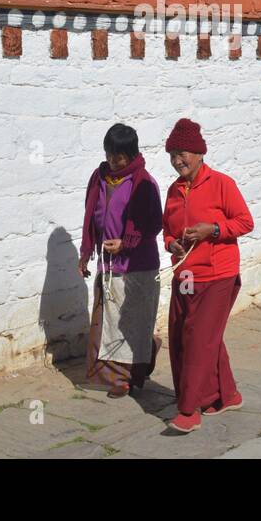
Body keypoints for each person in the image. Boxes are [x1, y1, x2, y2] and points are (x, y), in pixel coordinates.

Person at [161, 118, 254, 434]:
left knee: (198, 339)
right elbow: (167, 230)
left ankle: (189, 410)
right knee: (185, 336)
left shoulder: (221, 184)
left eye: (182, 153)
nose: (177, 161)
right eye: (172, 155)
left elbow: (244, 222)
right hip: (186, 275)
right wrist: (171, 243)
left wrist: (213, 230)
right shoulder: (174, 191)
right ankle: (226, 396)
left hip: (218, 274)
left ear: (199, 153)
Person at [79, 124, 163, 398]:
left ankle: (126, 378)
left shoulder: (144, 182)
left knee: (130, 324)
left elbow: (153, 224)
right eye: (109, 154)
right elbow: (90, 218)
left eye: (119, 156)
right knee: (104, 323)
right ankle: (112, 375)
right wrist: (85, 252)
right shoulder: (99, 178)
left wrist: (126, 244)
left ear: (132, 154)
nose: (113, 161)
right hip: (107, 264)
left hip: (136, 266)